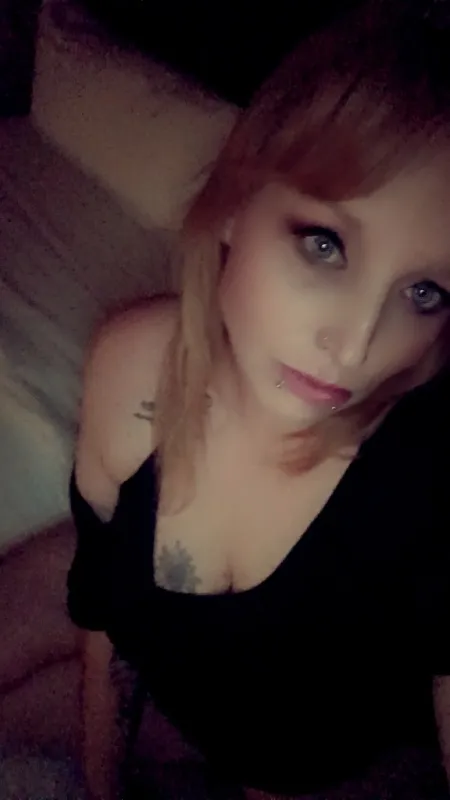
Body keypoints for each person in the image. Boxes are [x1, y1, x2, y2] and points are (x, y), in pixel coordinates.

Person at [67, 0, 450, 797]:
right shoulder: (133, 363)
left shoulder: (426, 485)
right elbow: (103, 616)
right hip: (183, 688)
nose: (355, 347)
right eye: (325, 245)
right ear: (238, 200)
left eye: (425, 293)